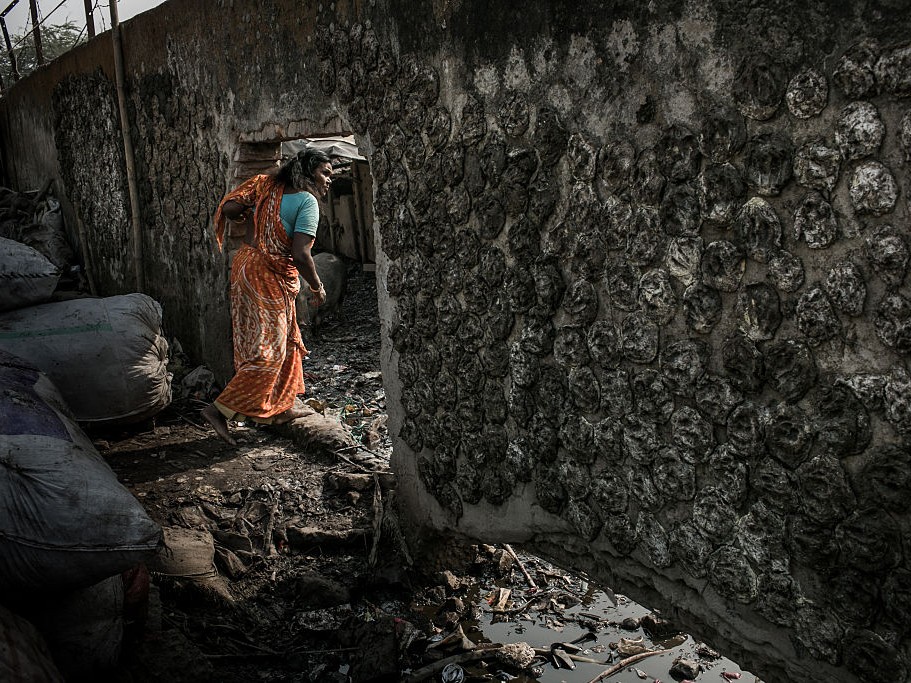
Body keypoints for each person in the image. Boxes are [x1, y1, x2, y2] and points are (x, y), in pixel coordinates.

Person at [202, 148, 333, 445]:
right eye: (325, 173)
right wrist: (317, 286)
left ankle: (280, 409)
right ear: (309, 172)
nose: (329, 180)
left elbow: (230, 209)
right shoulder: (307, 202)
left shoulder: (264, 185)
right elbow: (301, 254)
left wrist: (255, 212)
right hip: (267, 275)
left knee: (283, 340)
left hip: (245, 265)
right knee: (270, 350)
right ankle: (218, 410)